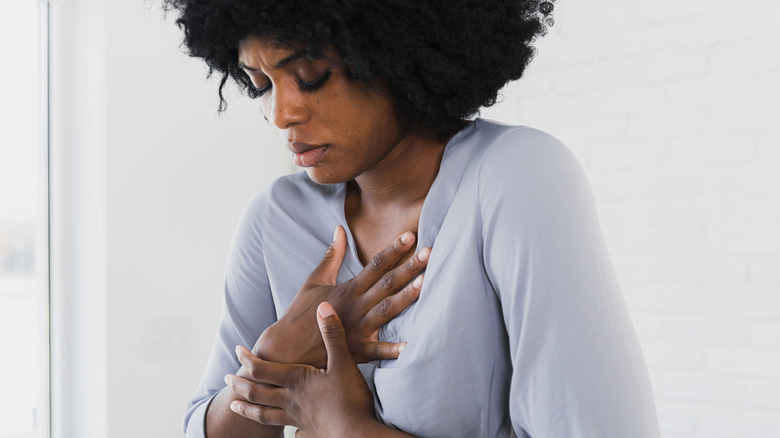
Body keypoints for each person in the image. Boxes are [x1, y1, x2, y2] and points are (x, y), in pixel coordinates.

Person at [166, 0, 660, 437]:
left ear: (391, 51)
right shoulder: (275, 218)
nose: (281, 114)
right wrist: (278, 355)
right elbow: (203, 426)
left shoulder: (516, 176)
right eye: (261, 85)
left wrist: (344, 428)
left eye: (310, 75)